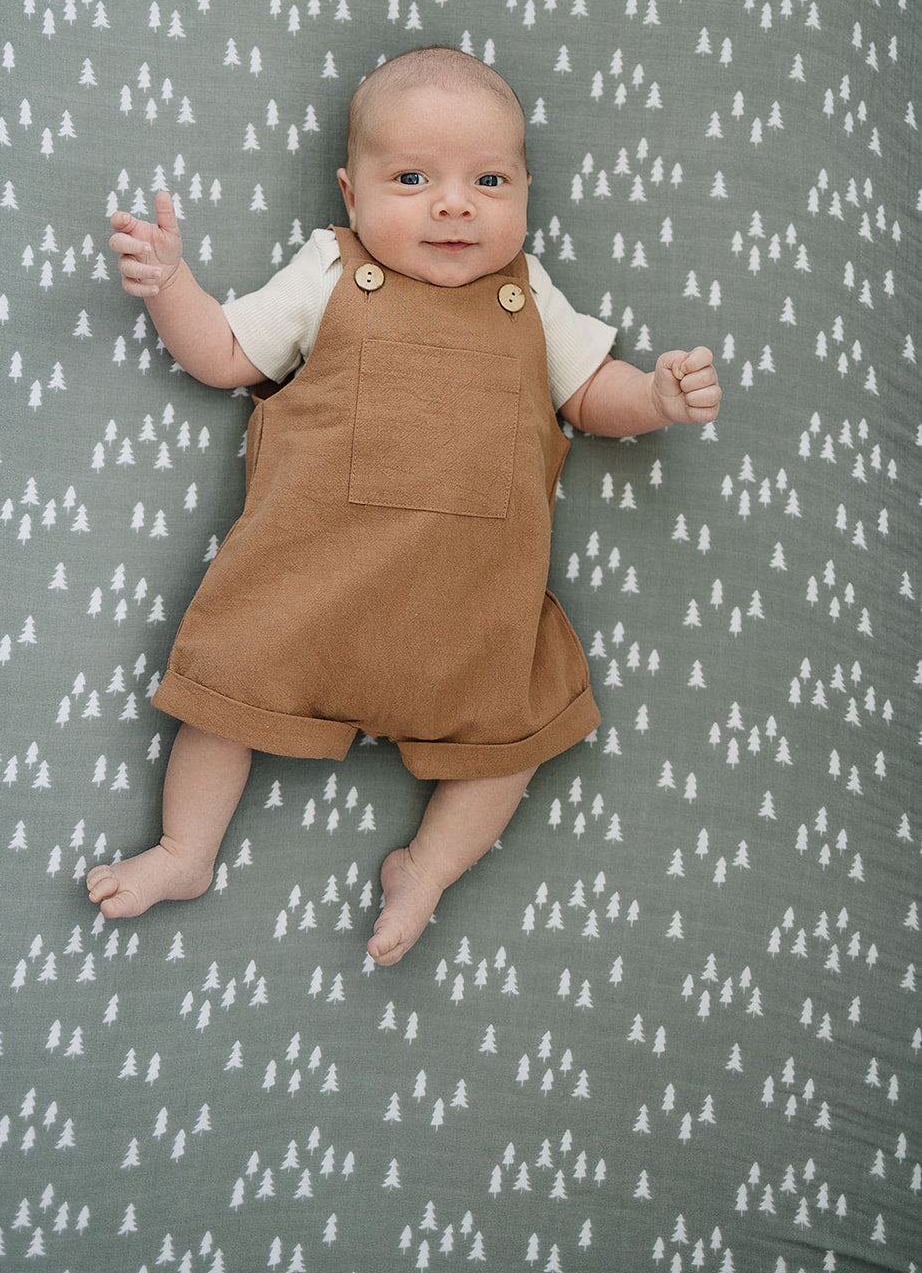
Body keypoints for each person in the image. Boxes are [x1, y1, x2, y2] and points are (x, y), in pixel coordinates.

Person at [88, 47, 721, 965]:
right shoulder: (329, 270)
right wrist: (172, 286)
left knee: (518, 737)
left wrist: (653, 398)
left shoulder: (531, 297)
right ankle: (185, 851)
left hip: (470, 616)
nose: (453, 205)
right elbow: (224, 353)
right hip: (307, 589)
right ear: (350, 196)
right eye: (413, 179)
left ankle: (426, 869)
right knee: (222, 700)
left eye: (488, 181)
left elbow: (590, 394)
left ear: (527, 193)